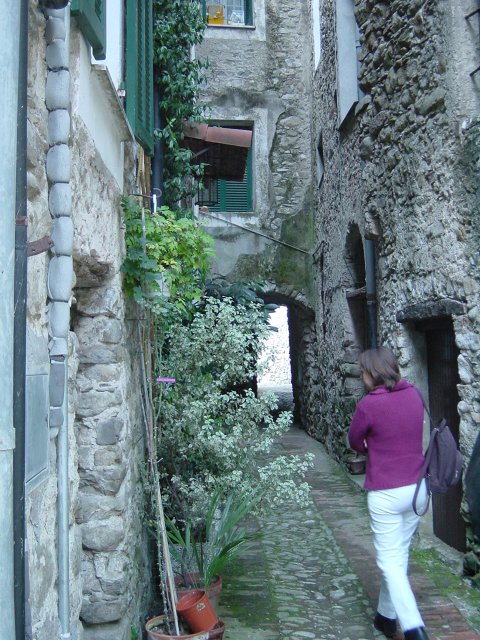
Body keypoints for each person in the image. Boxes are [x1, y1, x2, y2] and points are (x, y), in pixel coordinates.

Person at [347, 346, 429, 640]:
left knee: (388, 562)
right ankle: (386, 616)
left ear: (372, 373)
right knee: (399, 554)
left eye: (363, 371)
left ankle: (414, 628)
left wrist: (371, 446)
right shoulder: (415, 395)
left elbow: (355, 440)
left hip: (386, 493)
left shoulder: (369, 405)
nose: (361, 376)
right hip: (418, 489)